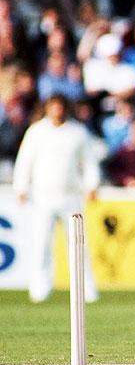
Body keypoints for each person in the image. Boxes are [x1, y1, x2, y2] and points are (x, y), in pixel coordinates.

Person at [12, 94, 100, 303]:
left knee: (78, 244)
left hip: (71, 196)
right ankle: (40, 288)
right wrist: (21, 186)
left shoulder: (77, 132)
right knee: (41, 243)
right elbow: (25, 160)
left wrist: (92, 185)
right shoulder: (36, 131)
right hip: (43, 196)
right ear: (47, 108)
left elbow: (89, 161)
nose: (57, 110)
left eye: (60, 106)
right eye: (53, 106)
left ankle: (86, 288)